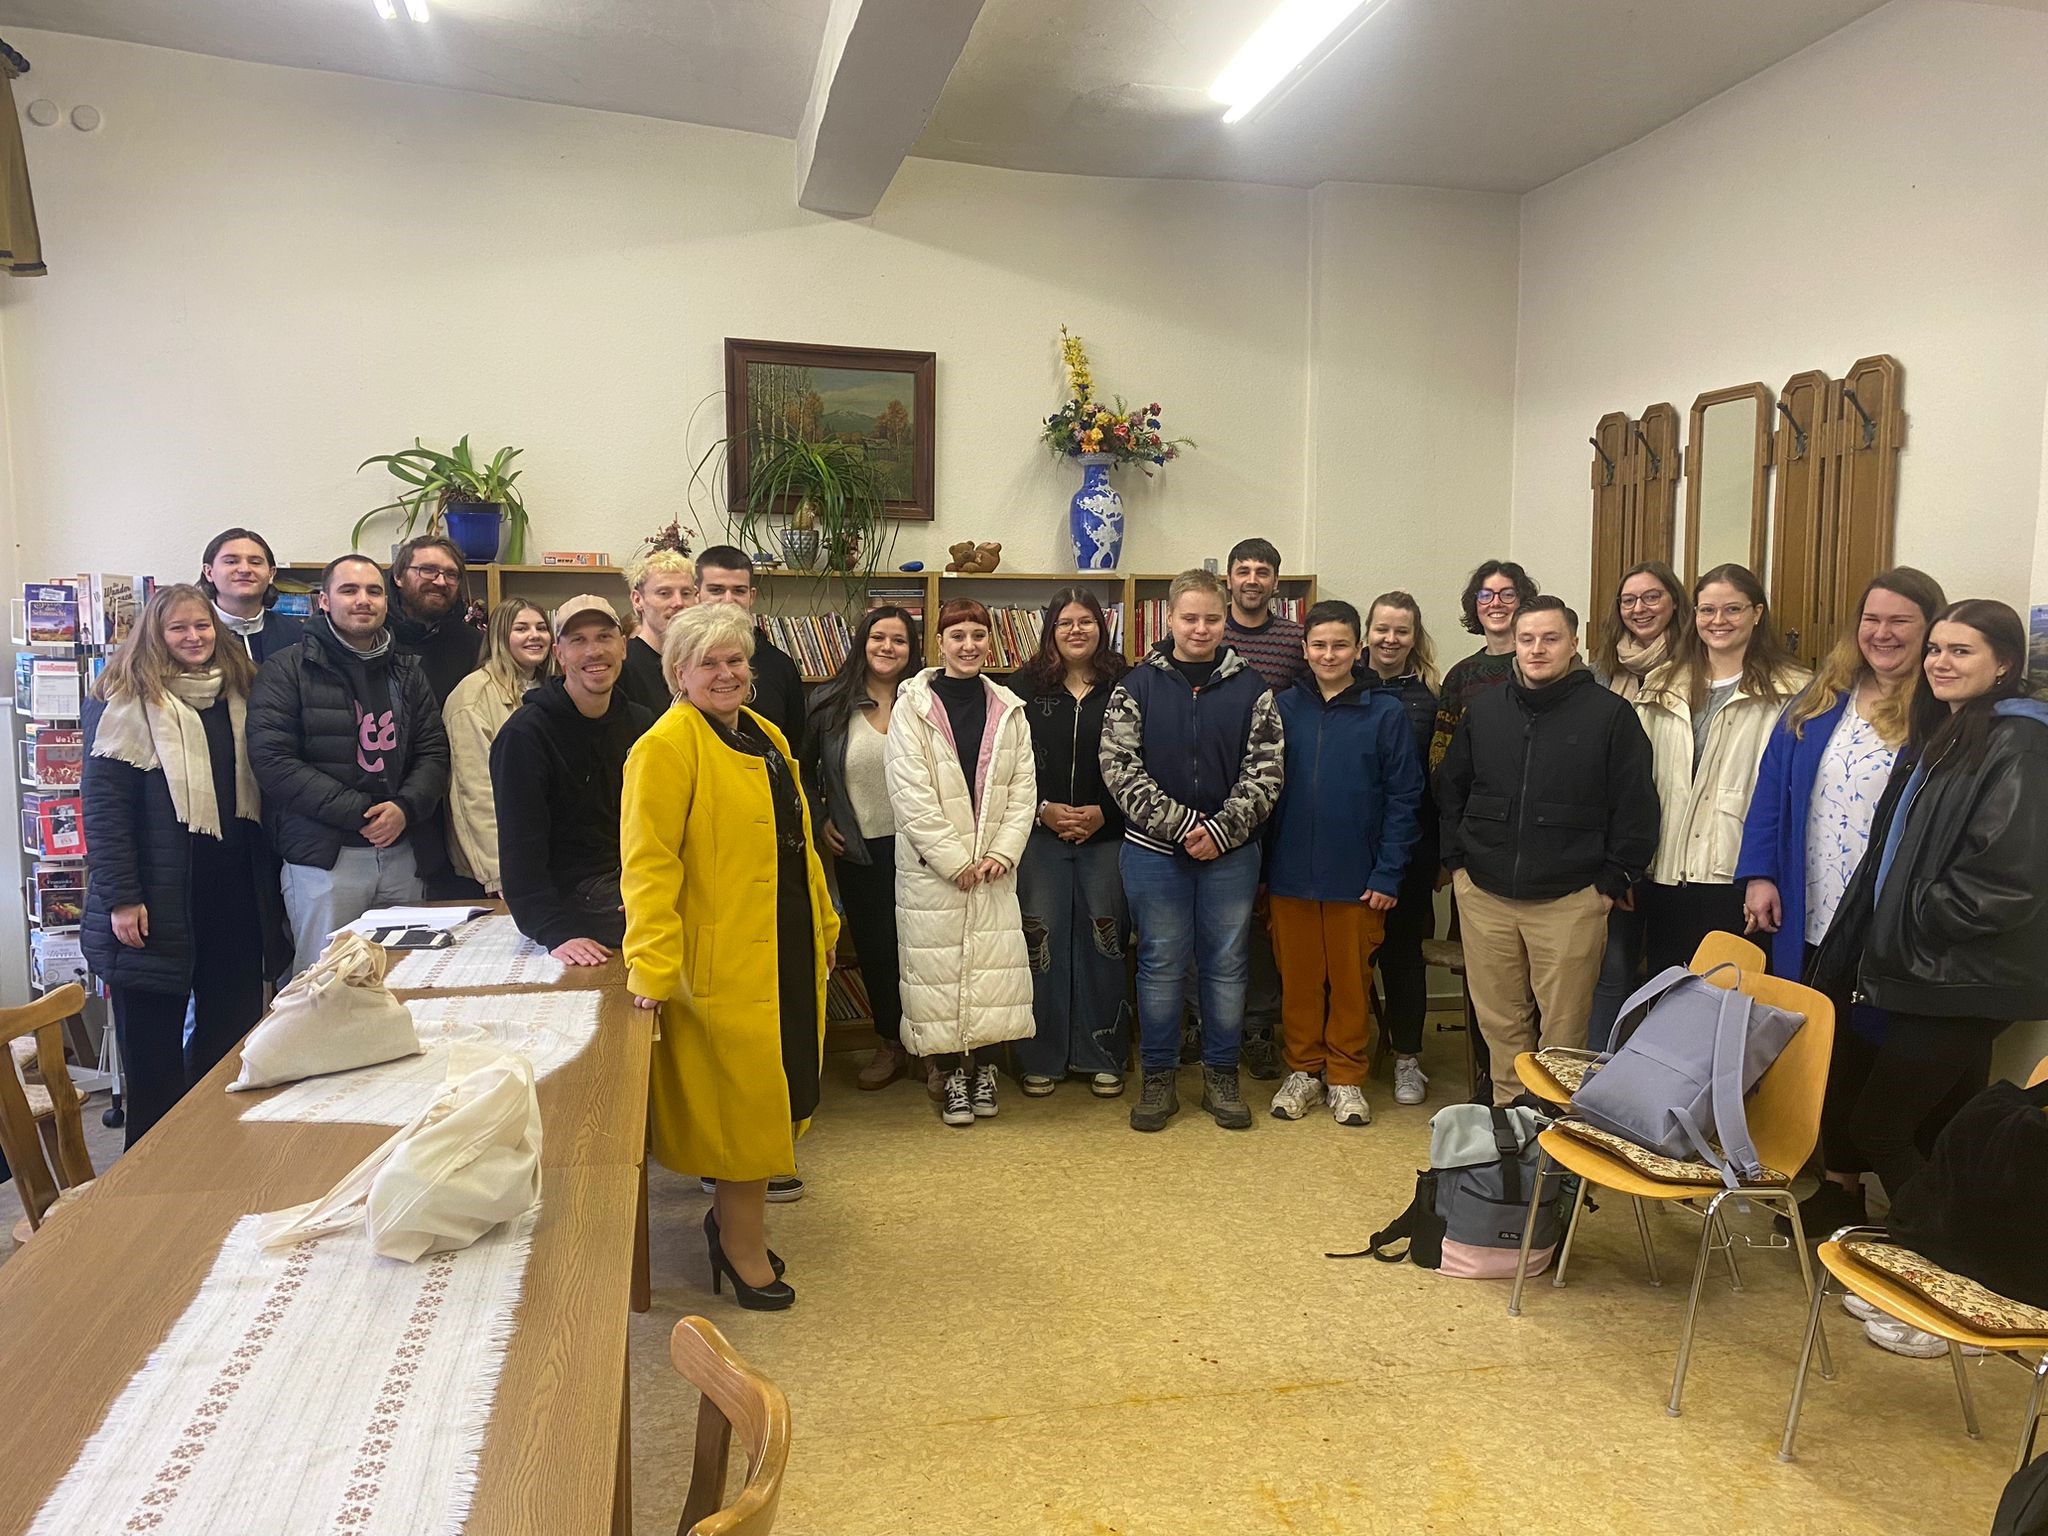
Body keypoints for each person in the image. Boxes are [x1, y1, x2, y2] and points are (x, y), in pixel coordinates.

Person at [1807, 600, 2048, 1269]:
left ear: (2003, 662)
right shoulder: (1957, 729)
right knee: (1950, 1130)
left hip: (1964, 977)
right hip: (1938, 970)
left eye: (1961, 650)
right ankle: (1958, 1266)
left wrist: (1913, 919)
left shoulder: (2021, 741)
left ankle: (1945, 1262)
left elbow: (2008, 879)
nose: (1941, 662)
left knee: (1879, 1124)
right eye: (1936, 649)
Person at [621, 604, 839, 1311]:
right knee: (742, 1110)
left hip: (783, 941)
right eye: (708, 662)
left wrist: (825, 922)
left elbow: (795, 843)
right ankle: (740, 1245)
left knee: (779, 1087)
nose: (726, 673)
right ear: (678, 673)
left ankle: (733, 1223)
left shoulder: (767, 733)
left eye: (736, 660)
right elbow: (648, 867)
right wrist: (651, 966)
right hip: (720, 960)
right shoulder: (667, 745)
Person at [1736, 567, 1945, 1238]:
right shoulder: (1821, 700)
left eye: (1900, 622)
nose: (1882, 634)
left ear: (1929, 630)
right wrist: (1760, 874)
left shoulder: (1938, 711)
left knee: (1876, 1050)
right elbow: (1772, 794)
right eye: (1872, 620)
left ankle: (1904, 1205)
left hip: (1890, 919)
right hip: (1813, 903)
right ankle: (1836, 1186)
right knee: (1827, 1047)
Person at [80, 584, 290, 1145]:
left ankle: (213, 1156)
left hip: (233, 897)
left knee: (227, 1050)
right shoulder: (121, 702)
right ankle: (147, 1172)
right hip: (153, 904)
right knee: (152, 1062)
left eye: (202, 626)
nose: (194, 638)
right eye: (179, 629)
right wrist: (122, 898)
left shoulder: (241, 693)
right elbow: (104, 811)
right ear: (156, 635)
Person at [1436, 596, 1658, 1105]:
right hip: (1485, 894)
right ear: (1513, 643)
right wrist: (1458, 866)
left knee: (1563, 1034)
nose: (1537, 649)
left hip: (1571, 900)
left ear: (1574, 644)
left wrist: (1613, 882)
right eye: (1527, 639)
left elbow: (1636, 803)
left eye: (1550, 638)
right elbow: (1452, 789)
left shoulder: (1611, 715)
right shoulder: (1485, 710)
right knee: (1500, 1022)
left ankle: (1553, 1136)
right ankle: (1510, 1127)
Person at [1102, 568, 1285, 1133]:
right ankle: (1158, 1077)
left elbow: (1268, 771)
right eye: (1190, 618)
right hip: (1154, 852)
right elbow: (1119, 767)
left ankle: (1221, 1074)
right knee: (1159, 964)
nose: (1200, 628)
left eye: (1211, 618)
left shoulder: (1253, 689)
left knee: (1227, 966)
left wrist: (1223, 830)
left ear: (1224, 618)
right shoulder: (1136, 686)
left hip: (1232, 854)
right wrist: (1182, 826)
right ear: (1170, 619)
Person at [248, 554, 450, 975]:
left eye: (374, 591)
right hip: (326, 860)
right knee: (325, 985)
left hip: (402, 852)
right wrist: (359, 811)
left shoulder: (408, 670)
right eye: (349, 590)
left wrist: (405, 808)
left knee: (402, 979)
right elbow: (273, 761)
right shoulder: (286, 669)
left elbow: (434, 751)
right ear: (323, 601)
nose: (363, 600)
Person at [1265, 600, 1424, 1127]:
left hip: (1358, 878)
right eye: (1318, 645)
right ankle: (1304, 1070)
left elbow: (1406, 798)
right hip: (1289, 874)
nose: (1328, 654)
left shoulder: (1385, 712)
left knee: (1351, 981)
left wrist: (1387, 873)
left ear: (1358, 650)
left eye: (1340, 645)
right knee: (1300, 979)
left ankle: (1347, 1076)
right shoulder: (1281, 708)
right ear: (1304, 650)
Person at [886, 598, 1037, 1127]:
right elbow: (910, 793)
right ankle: (950, 1075)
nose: (968, 645)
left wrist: (1000, 852)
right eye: (957, 636)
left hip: (994, 868)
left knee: (994, 974)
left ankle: (987, 1070)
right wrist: (954, 860)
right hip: (935, 871)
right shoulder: (912, 707)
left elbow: (1023, 790)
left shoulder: (1010, 708)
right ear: (940, 644)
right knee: (937, 974)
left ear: (989, 643)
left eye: (978, 635)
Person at [1633, 563, 1807, 973]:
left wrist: (1766, 875)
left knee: (1731, 1009)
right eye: (1707, 610)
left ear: (1757, 613)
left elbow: (1793, 795)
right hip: (1665, 871)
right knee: (1667, 1007)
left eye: (1732, 609)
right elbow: (1636, 780)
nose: (1718, 621)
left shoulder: (1794, 689)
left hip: (1737, 875)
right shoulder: (1661, 683)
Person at [1011, 587, 1132, 1099]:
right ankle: (1041, 1057)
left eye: (1086, 621)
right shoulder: (1021, 686)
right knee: (1042, 941)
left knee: (1104, 941)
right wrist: (1043, 809)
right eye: (1065, 623)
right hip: (1040, 835)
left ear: (1101, 629)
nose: (1076, 630)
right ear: (1050, 631)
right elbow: (1005, 763)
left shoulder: (1127, 684)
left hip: (1109, 834)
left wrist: (1106, 810)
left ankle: (1102, 1054)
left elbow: (1143, 758)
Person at [492, 596, 653, 964]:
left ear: (623, 647)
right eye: (578, 640)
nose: (594, 651)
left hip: (635, 877)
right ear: (559, 654)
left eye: (604, 637)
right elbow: (520, 848)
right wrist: (554, 931)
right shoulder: (525, 736)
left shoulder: (643, 724)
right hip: (576, 897)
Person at [805, 605, 921, 1090]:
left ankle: (932, 1050)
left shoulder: (927, 699)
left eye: (898, 639)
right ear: (862, 642)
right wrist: (820, 817)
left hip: (924, 851)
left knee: (926, 952)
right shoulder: (829, 703)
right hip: (861, 849)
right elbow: (798, 772)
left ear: (912, 649)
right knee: (877, 952)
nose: (887, 648)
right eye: (878, 638)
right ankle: (890, 1044)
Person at [1586, 561, 1692, 1047]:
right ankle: (1601, 1075)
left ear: (1674, 603)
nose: (1639, 609)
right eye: (1629, 600)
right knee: (1615, 970)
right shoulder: (1603, 674)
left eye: (1651, 597)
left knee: (1674, 974)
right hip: (1618, 851)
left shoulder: (1697, 669)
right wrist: (1622, 865)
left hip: (1678, 844)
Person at [1219, 538, 1300, 1079]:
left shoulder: (1297, 640)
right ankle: (1204, 1024)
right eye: (1243, 570)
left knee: (1262, 922)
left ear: (1276, 581)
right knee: (1214, 920)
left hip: (1277, 799)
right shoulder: (1204, 628)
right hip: (1207, 801)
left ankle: (1258, 1027)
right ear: (1228, 577)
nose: (1252, 579)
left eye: (1263, 571)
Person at [1358, 590, 1440, 1106]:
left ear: (1414, 638)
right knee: (1345, 959)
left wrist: (1439, 856)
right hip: (1350, 846)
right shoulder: (1343, 685)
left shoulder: (1430, 698)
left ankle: (1408, 1056)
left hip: (1410, 848)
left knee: (1403, 956)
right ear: (1367, 633)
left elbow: (1438, 781)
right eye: (1382, 629)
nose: (1390, 639)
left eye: (1401, 631)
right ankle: (1342, 1053)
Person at [443, 598, 552, 895]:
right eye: (521, 628)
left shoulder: (549, 690)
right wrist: (499, 875)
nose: (534, 635)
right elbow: (474, 794)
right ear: (500, 637)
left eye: (541, 627)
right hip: (496, 872)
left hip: (544, 860)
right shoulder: (472, 697)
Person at [696, 546, 805, 759]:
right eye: (716, 590)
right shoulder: (682, 661)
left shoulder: (780, 666)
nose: (728, 600)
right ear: (697, 593)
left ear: (751, 595)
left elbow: (794, 747)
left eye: (738, 591)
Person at [1428, 559, 1537, 772]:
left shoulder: (1538, 666)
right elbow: (1440, 754)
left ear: (1522, 602)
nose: (1495, 603)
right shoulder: (1460, 675)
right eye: (1486, 595)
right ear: (1475, 604)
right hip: (1474, 798)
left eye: (1507, 594)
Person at [388, 535, 484, 707]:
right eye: (428, 570)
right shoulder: (375, 638)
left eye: (451, 574)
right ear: (398, 576)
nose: (441, 581)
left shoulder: (474, 644)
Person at [199, 527, 303, 664]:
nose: (244, 570)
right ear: (209, 572)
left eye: (255, 562)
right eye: (231, 561)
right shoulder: (192, 634)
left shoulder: (296, 633)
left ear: (271, 574)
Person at [618, 547, 696, 715]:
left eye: (686, 593)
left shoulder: (700, 662)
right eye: (664, 593)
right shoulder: (623, 666)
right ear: (637, 600)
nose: (678, 603)